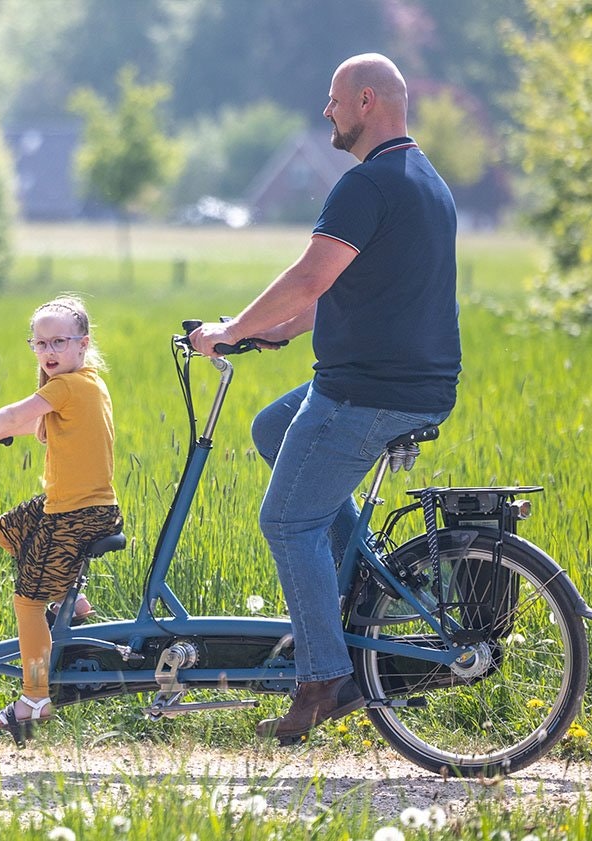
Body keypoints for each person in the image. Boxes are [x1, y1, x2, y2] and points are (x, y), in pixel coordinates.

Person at [189, 53, 461, 743]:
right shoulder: (426, 181)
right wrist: (274, 332)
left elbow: (310, 275)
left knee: (285, 521)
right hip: (405, 383)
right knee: (271, 429)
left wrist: (228, 331)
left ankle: (324, 675)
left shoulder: (364, 186)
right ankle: (359, 584)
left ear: (366, 100)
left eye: (333, 99)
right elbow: (352, 288)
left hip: (365, 393)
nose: (325, 112)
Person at [0, 295, 123, 741]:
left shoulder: (68, 386)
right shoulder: (85, 384)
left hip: (76, 513)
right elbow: (29, 424)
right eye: (40, 343)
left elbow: (19, 412)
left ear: (82, 344)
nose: (49, 351)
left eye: (59, 341)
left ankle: (34, 695)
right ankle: (70, 599)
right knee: (7, 528)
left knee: (27, 602)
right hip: (80, 507)